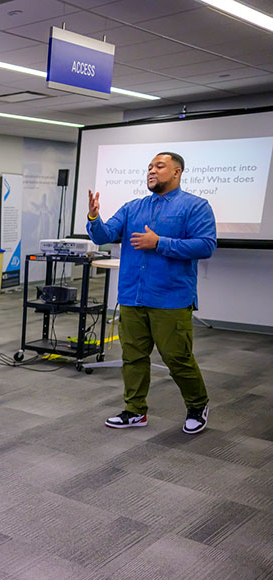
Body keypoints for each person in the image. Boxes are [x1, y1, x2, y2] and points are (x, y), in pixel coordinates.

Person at [87, 151, 216, 434]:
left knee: (177, 358)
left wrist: (160, 243)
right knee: (132, 357)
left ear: (177, 172)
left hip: (170, 298)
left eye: (159, 166)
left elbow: (205, 246)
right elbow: (104, 235)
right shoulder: (133, 207)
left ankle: (197, 405)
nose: (152, 171)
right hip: (133, 296)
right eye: (149, 167)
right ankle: (135, 411)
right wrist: (94, 217)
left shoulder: (195, 206)